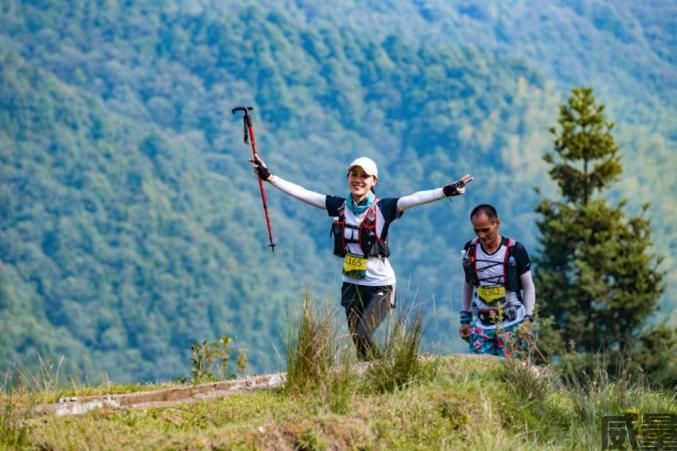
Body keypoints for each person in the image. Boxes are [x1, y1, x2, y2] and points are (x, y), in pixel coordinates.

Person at [252, 155, 473, 360]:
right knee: (357, 339)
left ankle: (381, 372)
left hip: (380, 285)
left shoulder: (384, 208)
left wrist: (446, 191)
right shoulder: (338, 206)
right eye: (354, 175)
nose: (358, 180)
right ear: (348, 177)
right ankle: (371, 378)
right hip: (351, 283)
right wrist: (270, 177)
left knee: (363, 331)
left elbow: (414, 199)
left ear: (374, 180)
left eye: (364, 176)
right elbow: (303, 193)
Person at [459, 204, 536, 357]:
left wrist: (528, 318)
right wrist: (465, 318)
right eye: (477, 230)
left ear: (497, 224)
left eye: (485, 229)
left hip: (513, 324)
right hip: (482, 326)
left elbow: (528, 287)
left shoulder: (515, 250)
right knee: (480, 375)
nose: (481, 235)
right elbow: (468, 283)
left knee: (510, 374)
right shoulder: (470, 249)